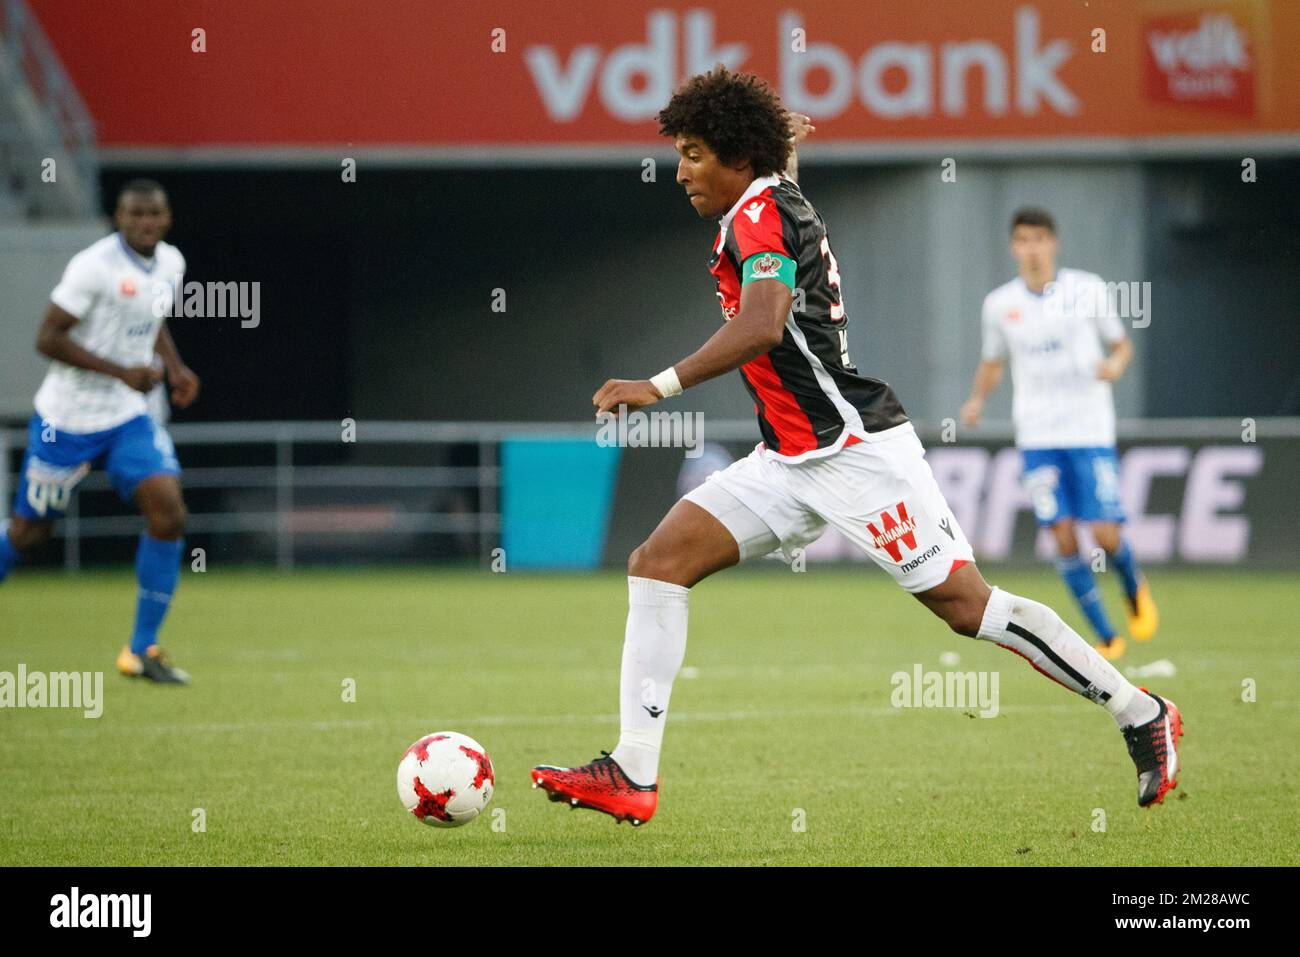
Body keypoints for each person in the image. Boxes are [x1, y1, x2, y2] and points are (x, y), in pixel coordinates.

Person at [530, 68, 1181, 826]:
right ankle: (633, 771)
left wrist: (660, 383)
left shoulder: (759, 216)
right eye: (680, 152)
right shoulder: (768, 198)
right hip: (786, 457)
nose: (679, 171)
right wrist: (779, 149)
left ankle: (1141, 712)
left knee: (967, 607)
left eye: (696, 153)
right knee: (659, 561)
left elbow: (764, 323)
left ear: (739, 155)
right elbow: (776, 213)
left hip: (855, 450)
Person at [0, 179, 199, 683]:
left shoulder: (172, 264)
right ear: (119, 217)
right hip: (65, 421)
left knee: (169, 512)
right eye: (135, 214)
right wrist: (121, 371)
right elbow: (48, 337)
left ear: (167, 217)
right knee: (29, 533)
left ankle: (140, 650)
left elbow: (151, 322)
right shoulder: (93, 267)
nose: (145, 223)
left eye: (154, 214)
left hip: (128, 416)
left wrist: (173, 368)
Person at [961, 208, 1158, 661]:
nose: (1032, 249)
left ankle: (1132, 584)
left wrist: (1114, 366)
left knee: (1106, 535)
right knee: (1063, 535)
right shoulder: (999, 304)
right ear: (1014, 247)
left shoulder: (1087, 289)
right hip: (1037, 435)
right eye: (1023, 241)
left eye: (1040, 239)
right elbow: (994, 361)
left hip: (1089, 429)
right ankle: (1106, 635)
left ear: (1054, 243)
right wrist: (976, 401)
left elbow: (1121, 343)